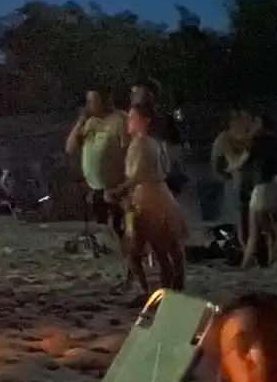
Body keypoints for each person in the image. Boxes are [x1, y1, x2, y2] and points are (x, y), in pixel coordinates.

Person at [118, 101, 187, 294]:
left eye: (132, 117)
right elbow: (163, 171)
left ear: (145, 121)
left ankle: (152, 293)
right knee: (167, 249)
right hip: (160, 197)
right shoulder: (156, 144)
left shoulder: (141, 144)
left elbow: (137, 176)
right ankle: (169, 290)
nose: (128, 121)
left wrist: (117, 191)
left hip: (148, 201)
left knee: (155, 251)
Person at [66, 90, 129, 261]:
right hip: (95, 186)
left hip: (115, 185)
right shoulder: (89, 122)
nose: (88, 106)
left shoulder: (119, 120)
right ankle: (114, 258)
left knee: (118, 227)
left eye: (91, 101)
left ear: (104, 101)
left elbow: (127, 151)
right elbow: (70, 148)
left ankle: (128, 259)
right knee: (102, 227)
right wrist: (80, 121)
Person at [238, 111, 277, 269]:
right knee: (275, 225)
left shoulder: (258, 140)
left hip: (263, 187)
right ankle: (276, 259)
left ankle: (245, 264)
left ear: (258, 123)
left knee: (254, 229)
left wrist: (229, 166)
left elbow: (242, 162)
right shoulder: (275, 140)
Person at [211, 110, 255, 234]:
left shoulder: (246, 138)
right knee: (238, 225)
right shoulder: (224, 140)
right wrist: (248, 151)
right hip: (232, 186)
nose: (247, 123)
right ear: (232, 122)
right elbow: (233, 164)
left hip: (247, 187)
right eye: (243, 119)